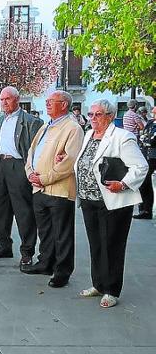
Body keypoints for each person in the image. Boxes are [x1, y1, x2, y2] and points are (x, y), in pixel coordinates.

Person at [75, 99, 148, 308]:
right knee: (96, 244)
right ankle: (98, 283)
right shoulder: (89, 134)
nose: (93, 119)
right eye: (91, 115)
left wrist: (123, 183)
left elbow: (140, 166)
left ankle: (111, 289)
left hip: (113, 200)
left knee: (112, 245)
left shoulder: (122, 137)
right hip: (89, 199)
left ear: (109, 116)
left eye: (97, 115)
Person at [21, 91, 84, 288]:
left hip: (59, 190)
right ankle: (45, 263)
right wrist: (30, 173)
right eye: (47, 102)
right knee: (45, 230)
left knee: (62, 233)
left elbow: (69, 161)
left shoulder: (73, 128)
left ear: (64, 104)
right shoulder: (45, 127)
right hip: (39, 189)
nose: (47, 104)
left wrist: (44, 178)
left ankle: (62, 271)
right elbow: (31, 152)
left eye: (51, 102)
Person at [0, 86, 43, 265]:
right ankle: (3, 245)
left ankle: (27, 251)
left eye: (8, 99)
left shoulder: (31, 121)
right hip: (1, 164)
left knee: (23, 210)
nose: (4, 102)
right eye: (2, 99)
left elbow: (37, 148)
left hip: (19, 165)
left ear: (17, 99)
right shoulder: (0, 120)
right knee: (1, 209)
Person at [135, 105, 156, 219]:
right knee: (144, 182)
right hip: (145, 154)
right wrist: (147, 139)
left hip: (153, 156)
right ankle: (144, 209)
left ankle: (146, 210)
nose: (153, 111)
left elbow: (152, 140)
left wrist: (148, 139)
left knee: (145, 181)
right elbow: (143, 135)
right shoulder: (151, 122)